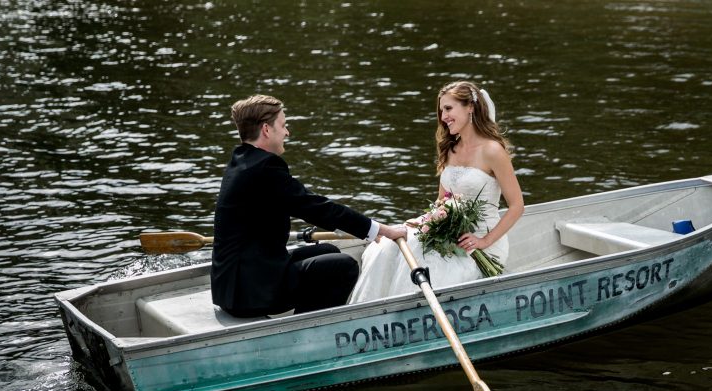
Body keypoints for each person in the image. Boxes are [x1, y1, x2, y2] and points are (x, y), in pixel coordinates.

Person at [211, 94, 406, 317]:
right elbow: (317, 208)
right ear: (266, 129)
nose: (287, 132)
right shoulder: (265, 168)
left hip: (236, 283)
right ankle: (304, 335)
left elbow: (309, 205)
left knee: (328, 250)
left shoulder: (241, 160)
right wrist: (381, 230)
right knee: (343, 267)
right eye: (283, 126)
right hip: (247, 294)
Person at [348, 81, 524, 304]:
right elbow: (443, 201)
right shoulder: (451, 149)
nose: (443, 116)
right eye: (441, 110)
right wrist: (426, 223)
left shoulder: (493, 151)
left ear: (470, 107)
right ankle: (372, 312)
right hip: (448, 236)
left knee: (426, 263)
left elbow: (517, 205)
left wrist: (484, 241)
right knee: (388, 245)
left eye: (449, 109)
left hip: (478, 242)